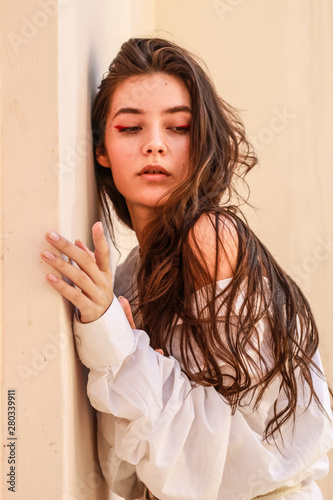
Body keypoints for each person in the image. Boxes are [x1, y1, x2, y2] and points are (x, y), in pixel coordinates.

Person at [41, 38, 333, 499]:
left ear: (199, 145)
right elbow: (124, 473)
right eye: (131, 128)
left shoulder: (209, 238)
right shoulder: (128, 277)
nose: (155, 145)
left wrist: (109, 335)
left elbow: (232, 458)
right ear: (101, 150)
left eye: (178, 127)